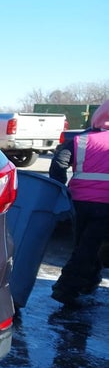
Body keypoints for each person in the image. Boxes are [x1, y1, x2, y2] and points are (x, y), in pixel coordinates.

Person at [48, 99, 109, 305]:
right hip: (106, 204)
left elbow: (58, 164)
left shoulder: (79, 141)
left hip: (78, 201)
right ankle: (65, 288)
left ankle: (90, 280)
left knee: (84, 243)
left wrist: (59, 187)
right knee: (89, 246)